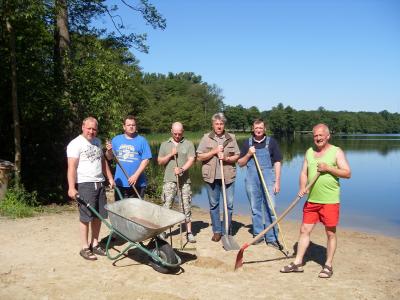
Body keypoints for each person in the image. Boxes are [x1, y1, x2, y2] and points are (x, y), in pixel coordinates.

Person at [280, 123, 351, 278]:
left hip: (330, 201)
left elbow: (347, 173)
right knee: (304, 230)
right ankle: (298, 262)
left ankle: (328, 265)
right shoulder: (309, 152)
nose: (318, 138)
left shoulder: (336, 152)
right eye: (315, 135)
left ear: (327, 136)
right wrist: (302, 187)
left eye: (321, 135)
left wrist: (329, 168)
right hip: (312, 200)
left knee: (330, 233)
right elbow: (303, 172)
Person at [67, 117, 115, 261]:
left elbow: (103, 162)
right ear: (83, 127)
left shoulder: (97, 142)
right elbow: (72, 167)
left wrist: (110, 178)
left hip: (99, 183)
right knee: (86, 216)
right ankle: (84, 247)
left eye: (94, 129)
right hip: (85, 184)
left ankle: (95, 243)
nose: (91, 131)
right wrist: (71, 187)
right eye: (89, 128)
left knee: (99, 216)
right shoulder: (75, 144)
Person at [237, 119, 282, 249]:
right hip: (252, 179)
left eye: (261, 128)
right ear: (253, 128)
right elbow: (240, 163)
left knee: (271, 207)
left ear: (264, 129)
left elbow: (278, 162)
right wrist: (249, 154)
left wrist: (277, 181)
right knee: (255, 208)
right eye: (256, 128)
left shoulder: (271, 142)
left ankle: (272, 237)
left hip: (268, 178)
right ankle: (258, 235)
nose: (258, 130)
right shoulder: (247, 143)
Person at [197, 113, 240, 242]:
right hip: (211, 178)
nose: (219, 126)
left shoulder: (231, 137)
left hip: (227, 177)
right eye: (217, 124)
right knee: (214, 205)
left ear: (224, 125)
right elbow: (199, 156)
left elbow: (237, 155)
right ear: (213, 125)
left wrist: (226, 158)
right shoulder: (206, 138)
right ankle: (217, 231)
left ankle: (227, 230)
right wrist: (214, 152)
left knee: (229, 205)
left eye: (221, 124)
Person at [157, 122, 196, 243]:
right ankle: (162, 231)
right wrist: (170, 154)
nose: (177, 136)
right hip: (169, 180)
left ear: (183, 131)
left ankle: (189, 232)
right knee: (167, 205)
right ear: (171, 131)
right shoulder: (164, 144)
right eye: (175, 133)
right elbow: (160, 161)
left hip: (184, 181)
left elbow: (192, 159)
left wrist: (182, 169)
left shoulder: (188, 144)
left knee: (186, 206)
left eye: (180, 133)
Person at [105, 115, 152, 200]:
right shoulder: (116, 140)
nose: (131, 127)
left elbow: (146, 160)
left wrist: (135, 176)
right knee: (120, 210)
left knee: (136, 212)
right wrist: (109, 151)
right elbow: (109, 157)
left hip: (138, 183)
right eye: (128, 125)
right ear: (124, 127)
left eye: (133, 125)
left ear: (136, 126)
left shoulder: (142, 141)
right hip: (121, 183)